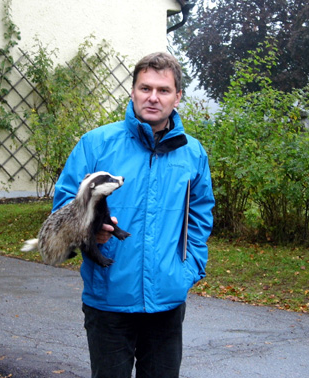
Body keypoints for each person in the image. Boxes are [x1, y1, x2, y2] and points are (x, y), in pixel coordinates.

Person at [52, 52, 215, 378]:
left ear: (178, 96)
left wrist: (188, 270)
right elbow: (64, 210)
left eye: (163, 90)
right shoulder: (95, 145)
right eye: (145, 88)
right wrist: (89, 230)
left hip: (166, 302)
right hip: (109, 300)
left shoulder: (193, 153)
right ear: (132, 91)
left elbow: (199, 215)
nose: (153, 97)